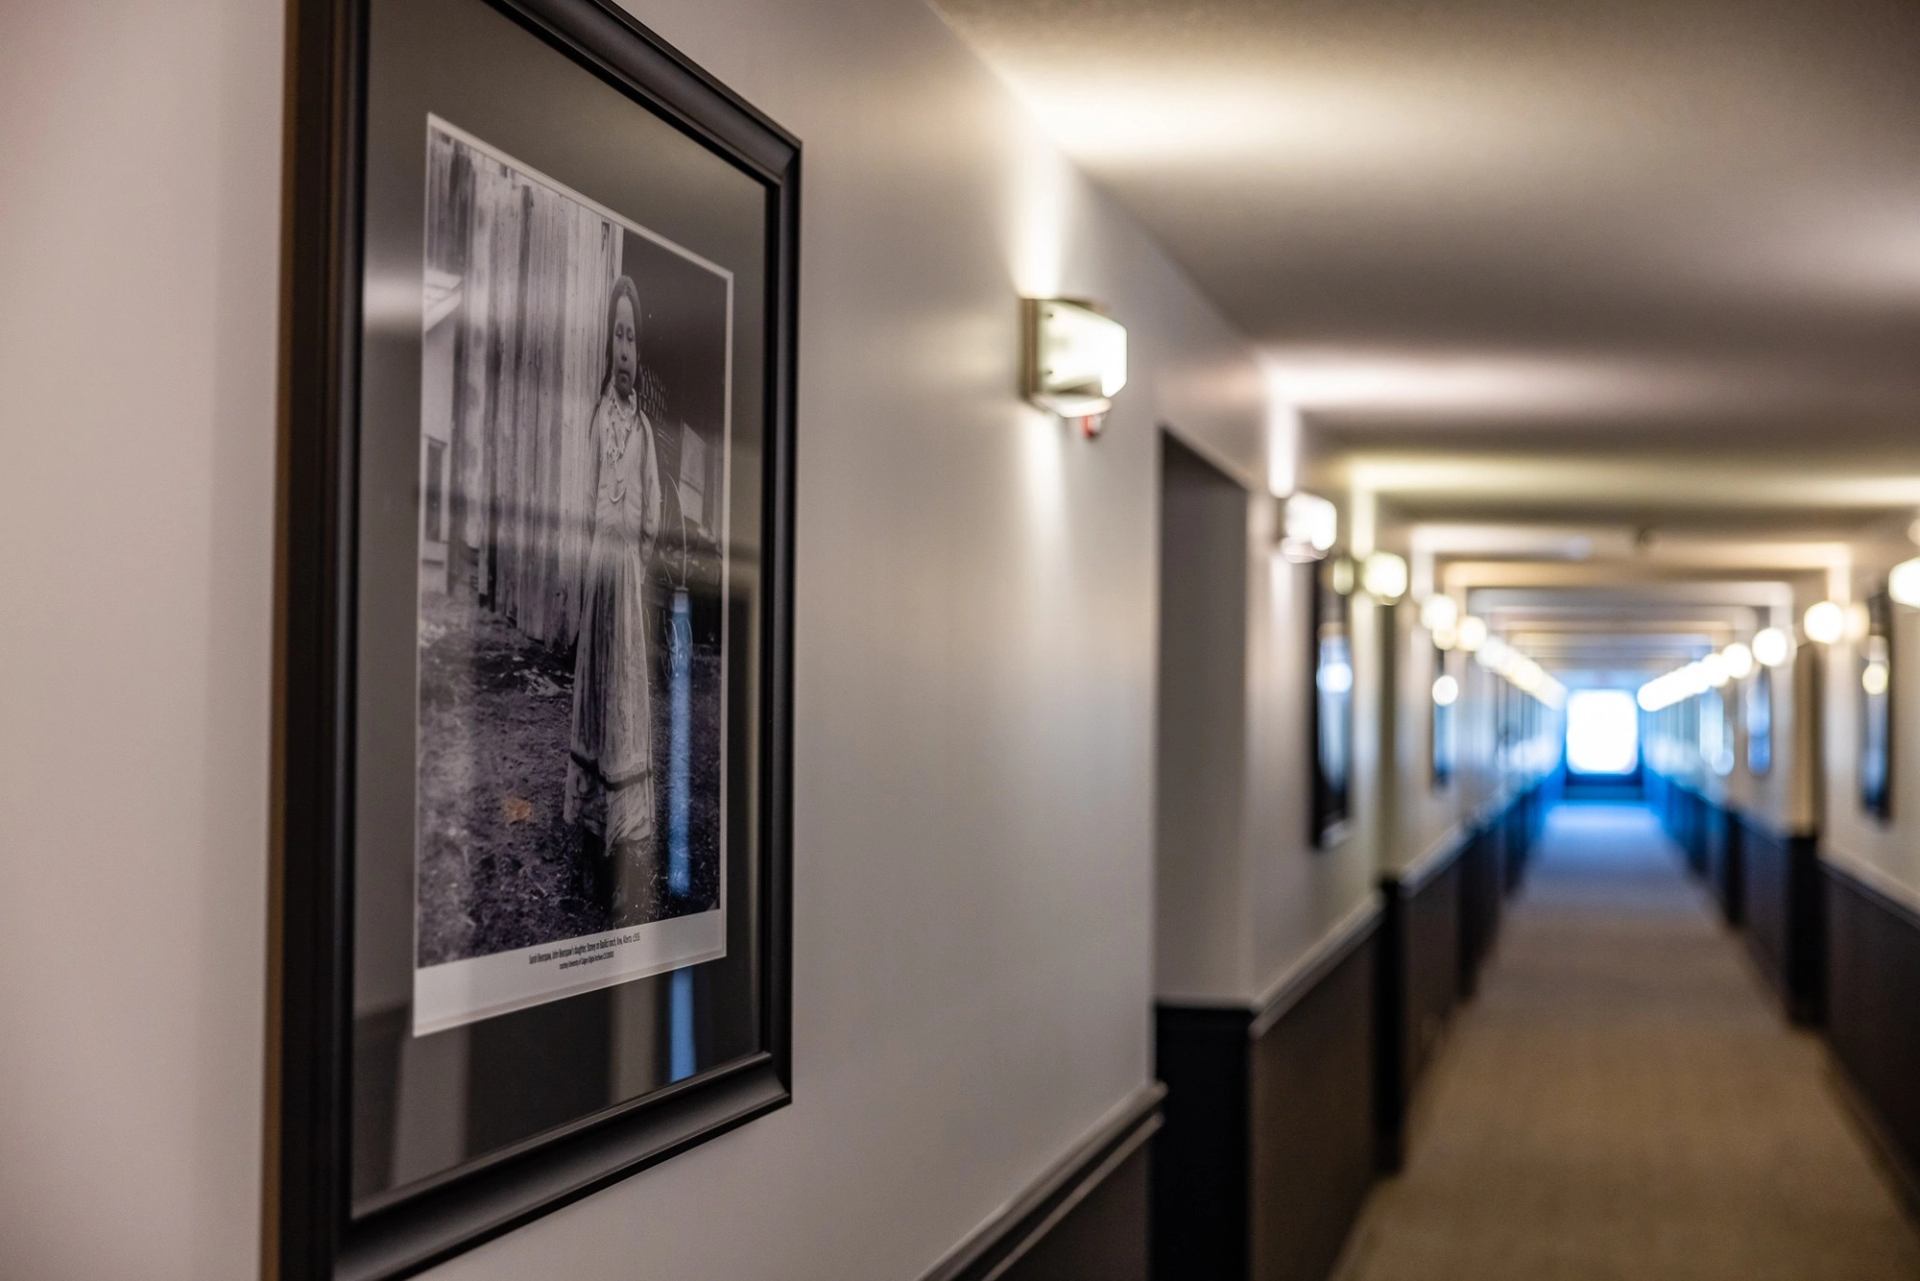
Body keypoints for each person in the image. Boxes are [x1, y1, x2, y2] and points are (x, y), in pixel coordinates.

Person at [567, 274, 663, 904]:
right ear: (607, 347)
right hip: (600, 569)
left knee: (626, 684)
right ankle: (590, 813)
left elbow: (652, 506)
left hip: (625, 576)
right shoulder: (599, 423)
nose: (624, 351)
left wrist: (637, 556)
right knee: (596, 686)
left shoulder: (646, 431)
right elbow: (583, 496)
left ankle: (625, 820)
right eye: (617, 336)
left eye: (631, 338)